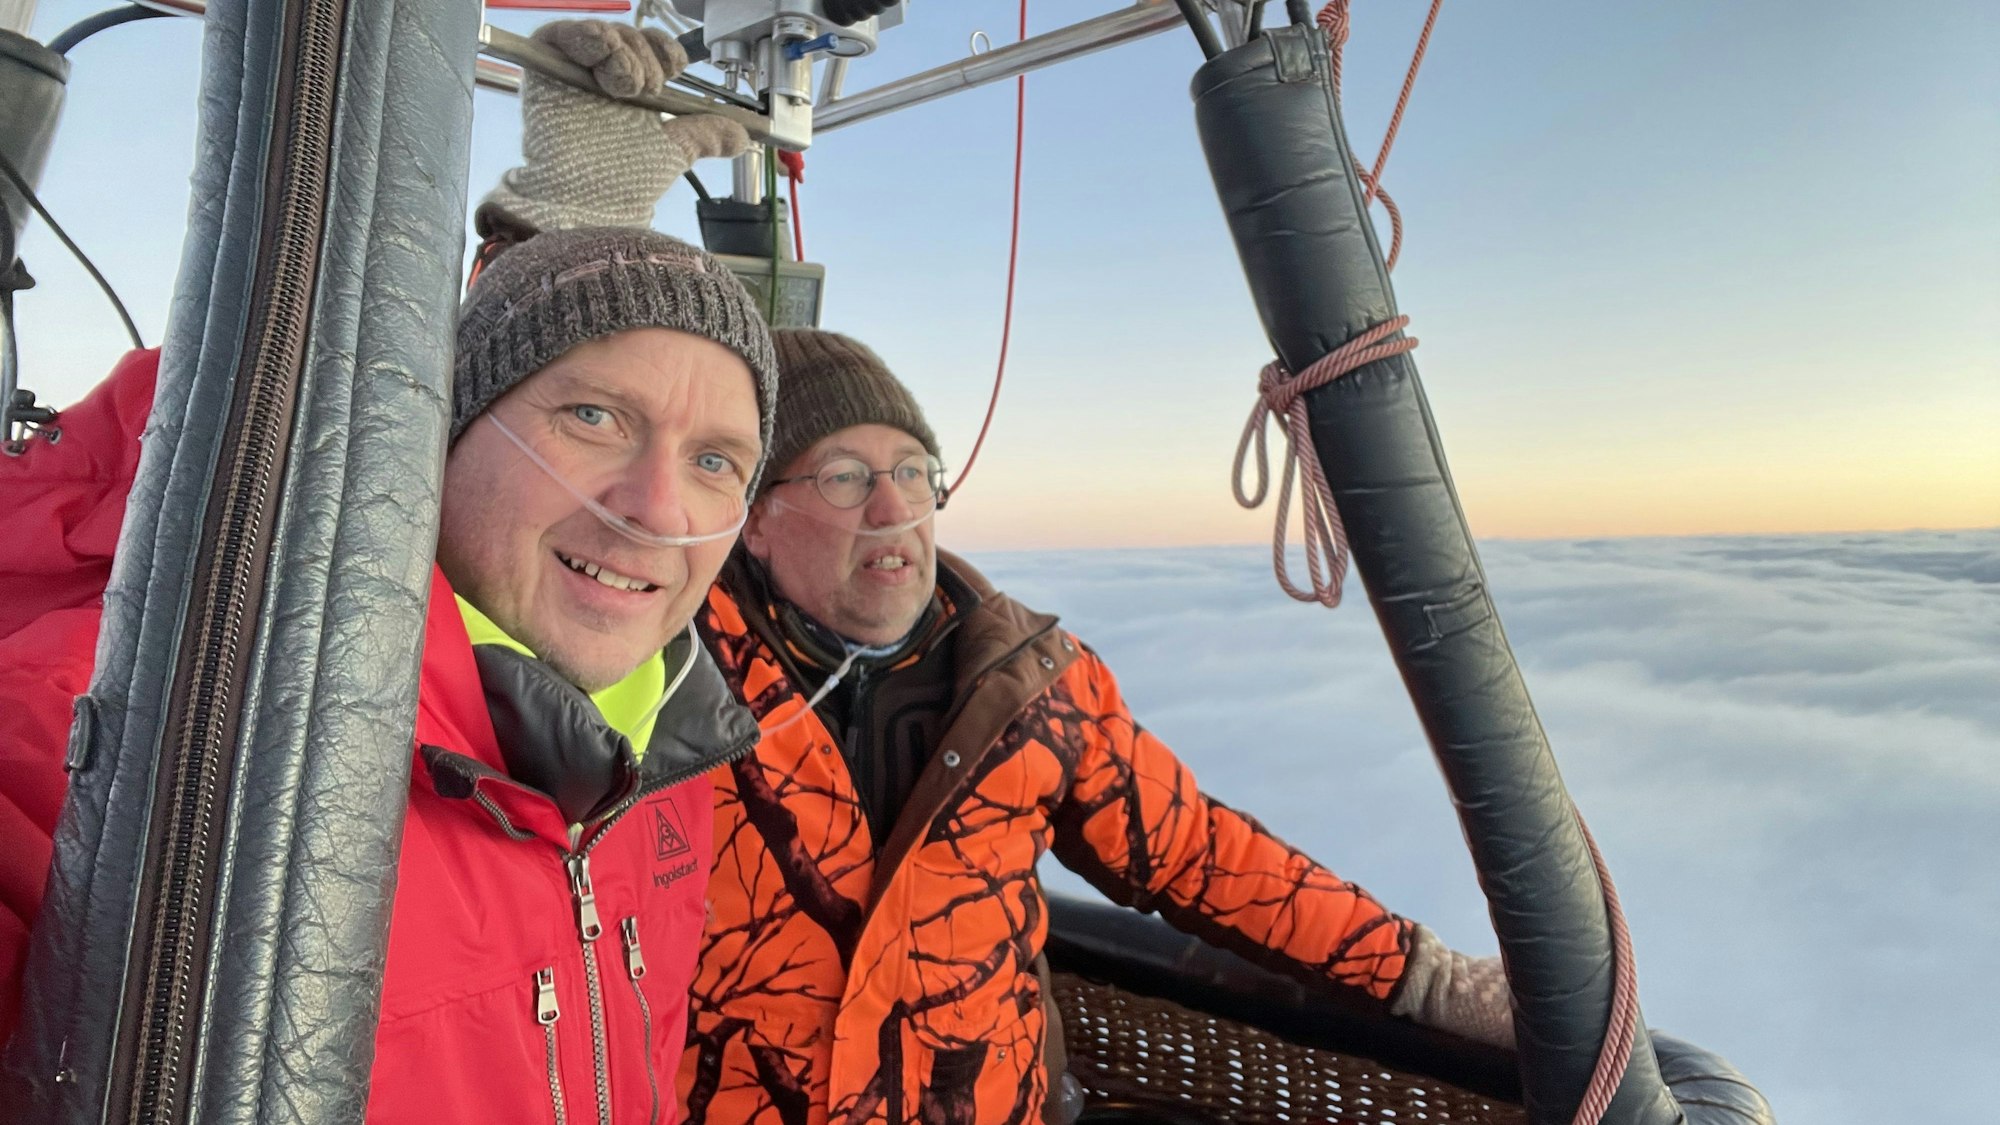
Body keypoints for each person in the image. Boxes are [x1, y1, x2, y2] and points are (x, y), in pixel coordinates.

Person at [0, 25, 770, 1123]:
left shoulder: (669, 762)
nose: (657, 510)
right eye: (593, 417)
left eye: (716, 462)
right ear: (430, 436)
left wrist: (569, 241)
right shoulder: (136, 730)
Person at [678, 330, 1515, 1125]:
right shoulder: (665, 687)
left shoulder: (1025, 686)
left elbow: (1198, 853)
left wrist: (1420, 975)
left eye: (912, 471)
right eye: (845, 476)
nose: (893, 507)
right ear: (755, 518)